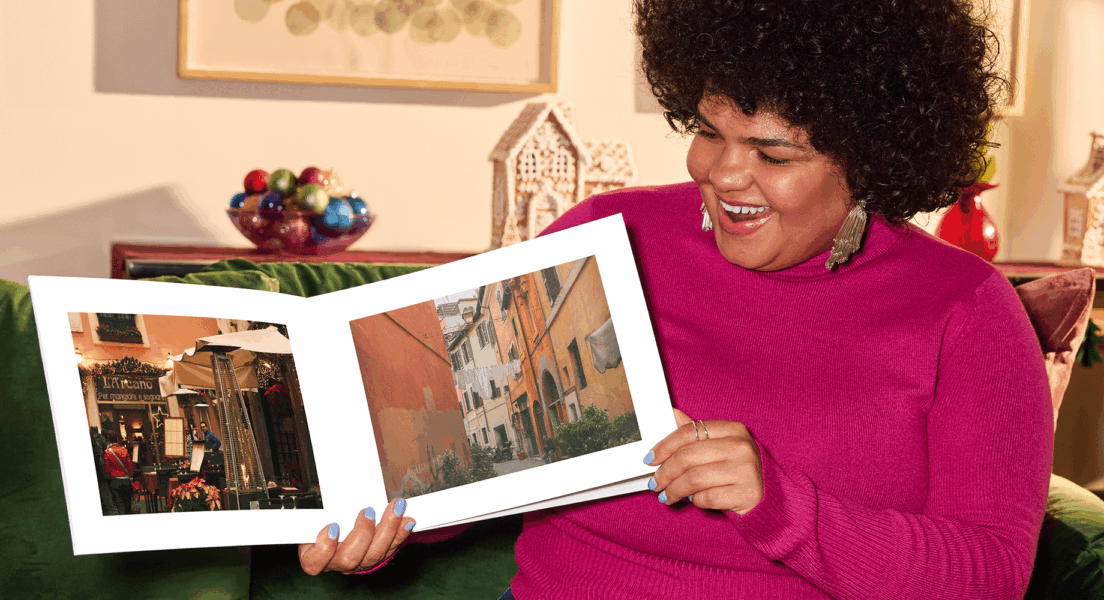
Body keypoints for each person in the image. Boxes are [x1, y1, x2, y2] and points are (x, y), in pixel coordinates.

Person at [299, 1, 1053, 597]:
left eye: (771, 152)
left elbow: (987, 576)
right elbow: (460, 451)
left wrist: (783, 507)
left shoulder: (965, 308)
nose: (724, 173)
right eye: (708, 131)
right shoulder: (604, 235)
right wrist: (378, 530)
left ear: (869, 158)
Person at [103, 429, 136, 516]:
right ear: (117, 439)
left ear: (108, 440)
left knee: (120, 507)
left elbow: (107, 470)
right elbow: (130, 467)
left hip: (115, 482)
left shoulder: (107, 452)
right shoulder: (124, 450)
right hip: (126, 480)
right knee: (128, 507)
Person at [89, 427, 116, 516]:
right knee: (106, 489)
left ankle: (109, 509)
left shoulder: (95, 441)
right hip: (105, 469)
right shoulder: (103, 441)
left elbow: (97, 455)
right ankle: (111, 508)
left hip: (100, 468)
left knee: (103, 489)